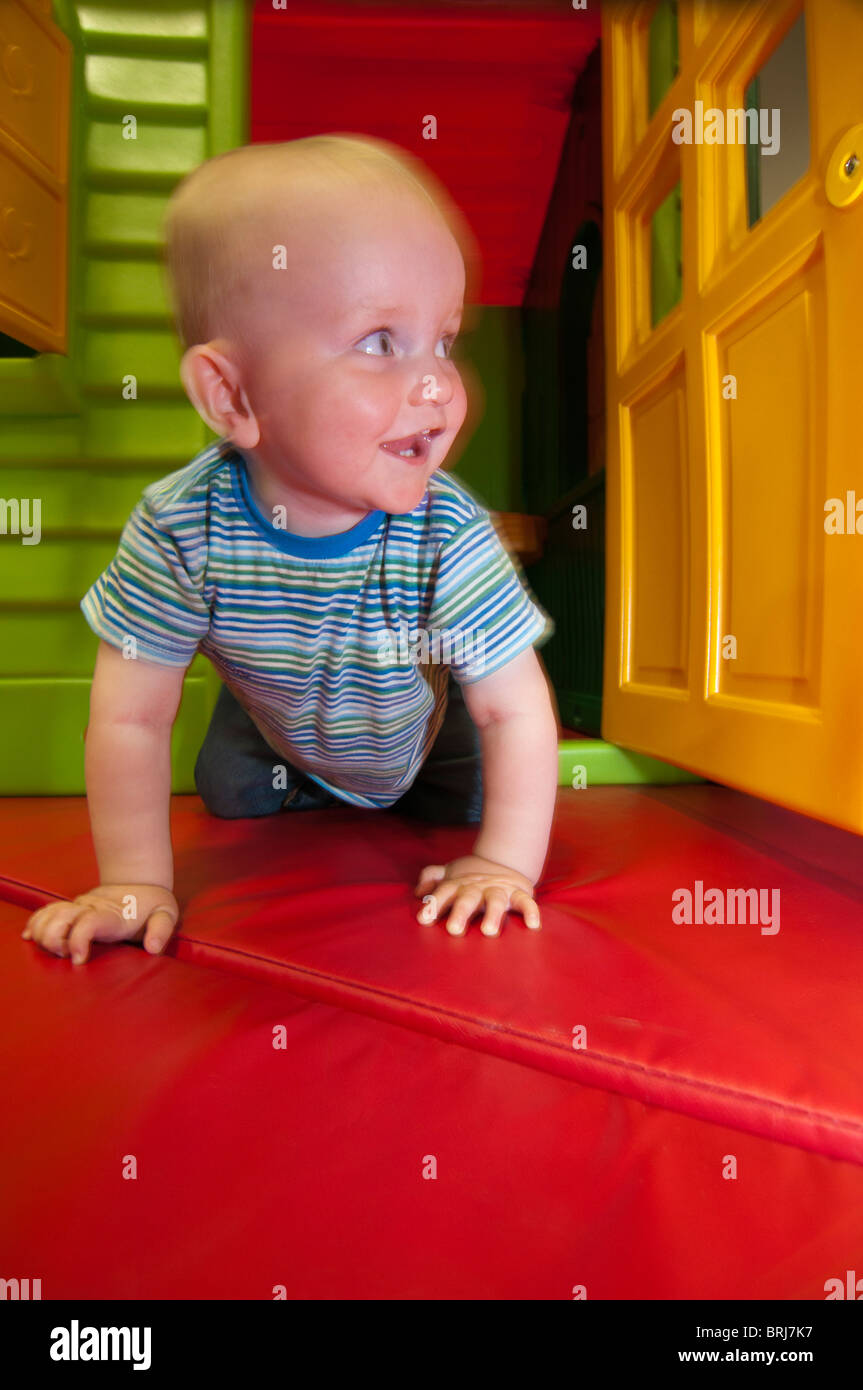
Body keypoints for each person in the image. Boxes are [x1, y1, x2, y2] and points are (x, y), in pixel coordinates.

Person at [22, 134, 559, 963]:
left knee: (486, 790)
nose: (436, 387)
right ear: (231, 395)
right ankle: (306, 781)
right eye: (381, 342)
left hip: (421, 730)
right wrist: (134, 880)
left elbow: (512, 708)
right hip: (278, 724)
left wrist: (502, 862)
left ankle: (374, 794)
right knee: (230, 791)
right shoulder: (179, 528)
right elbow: (130, 713)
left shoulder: (446, 530)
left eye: (443, 341)